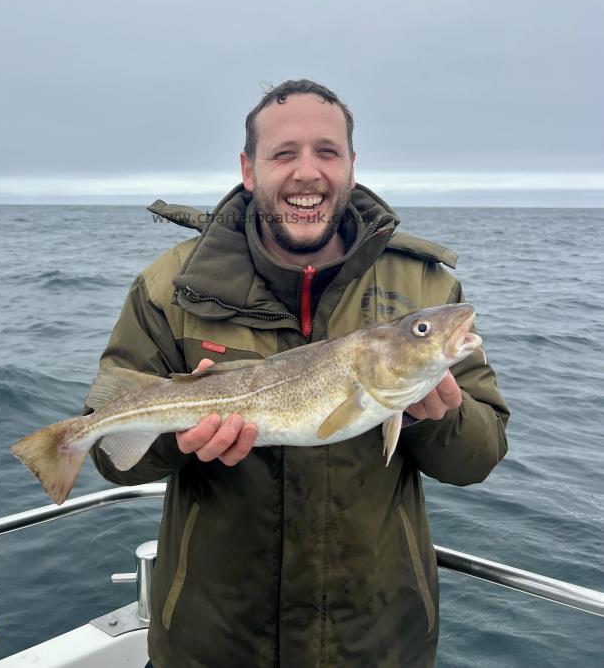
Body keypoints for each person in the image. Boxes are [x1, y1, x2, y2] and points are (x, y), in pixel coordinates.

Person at [86, 79, 509, 668]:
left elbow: (480, 456)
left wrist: (439, 419)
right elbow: (109, 451)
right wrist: (176, 444)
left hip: (378, 645)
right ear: (249, 168)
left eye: (327, 152)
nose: (306, 173)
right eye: (284, 154)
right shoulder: (171, 288)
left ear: (352, 167)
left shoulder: (424, 289)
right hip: (212, 644)